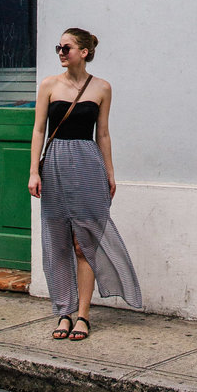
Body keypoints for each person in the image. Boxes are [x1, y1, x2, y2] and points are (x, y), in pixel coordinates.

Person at [29, 27, 142, 340]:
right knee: (58, 242)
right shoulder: (49, 85)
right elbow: (39, 130)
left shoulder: (102, 88)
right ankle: (62, 312)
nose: (61, 53)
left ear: (84, 52)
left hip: (88, 165)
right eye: (59, 48)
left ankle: (82, 314)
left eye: (66, 47)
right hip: (54, 165)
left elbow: (102, 133)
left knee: (85, 243)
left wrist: (109, 172)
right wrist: (33, 171)